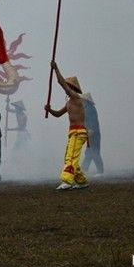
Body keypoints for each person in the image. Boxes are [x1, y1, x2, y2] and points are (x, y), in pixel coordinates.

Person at [44, 61, 89, 191]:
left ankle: (67, 181)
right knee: (69, 157)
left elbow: (61, 83)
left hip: (79, 132)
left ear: (72, 88)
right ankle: (81, 181)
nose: (67, 88)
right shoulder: (70, 102)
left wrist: (56, 68)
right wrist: (49, 110)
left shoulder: (77, 98)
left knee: (70, 157)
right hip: (73, 132)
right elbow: (58, 114)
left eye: (68, 86)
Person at [80, 93, 104, 175]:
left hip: (93, 134)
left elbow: (93, 121)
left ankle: (100, 171)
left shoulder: (90, 109)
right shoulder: (87, 108)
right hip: (91, 133)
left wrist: (91, 130)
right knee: (89, 153)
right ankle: (83, 169)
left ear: (85, 100)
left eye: (82, 99)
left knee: (94, 152)